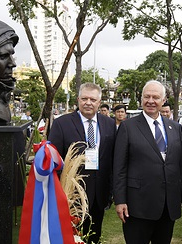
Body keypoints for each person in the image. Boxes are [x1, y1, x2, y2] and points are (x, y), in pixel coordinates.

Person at [113, 80, 182, 244]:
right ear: (141, 99)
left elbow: (179, 165)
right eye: (146, 96)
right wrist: (120, 200)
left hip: (168, 205)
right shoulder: (128, 127)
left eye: (155, 97)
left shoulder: (175, 127)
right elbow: (119, 168)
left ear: (163, 101)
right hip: (137, 205)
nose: (150, 101)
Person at [48, 83, 116, 244]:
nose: (88, 103)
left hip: (99, 193)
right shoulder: (61, 124)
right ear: (78, 100)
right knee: (71, 237)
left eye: (93, 99)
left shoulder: (109, 124)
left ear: (99, 102)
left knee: (94, 235)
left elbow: (112, 158)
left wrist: (111, 190)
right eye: (84, 98)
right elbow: (54, 159)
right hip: (71, 194)